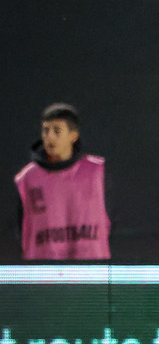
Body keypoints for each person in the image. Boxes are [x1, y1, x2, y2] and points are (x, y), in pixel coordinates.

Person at [14, 103, 111, 260]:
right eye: (46, 131)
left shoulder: (97, 171)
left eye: (57, 131)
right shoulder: (27, 178)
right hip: (43, 271)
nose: (50, 137)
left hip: (90, 270)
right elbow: (20, 230)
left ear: (73, 136)